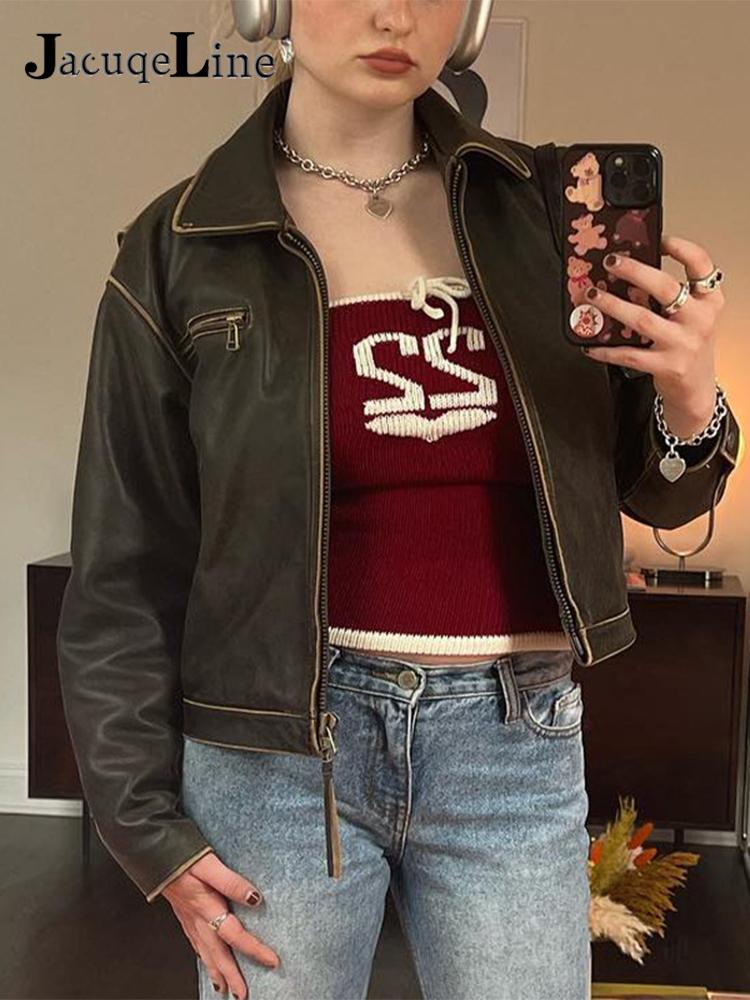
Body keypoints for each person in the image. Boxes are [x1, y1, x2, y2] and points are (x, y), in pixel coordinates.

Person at [56, 2, 741, 999]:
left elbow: (663, 495)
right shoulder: (182, 246)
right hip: (278, 754)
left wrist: (688, 392)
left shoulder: (547, 217)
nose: (393, 13)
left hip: (515, 743)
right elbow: (124, 567)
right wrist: (144, 827)